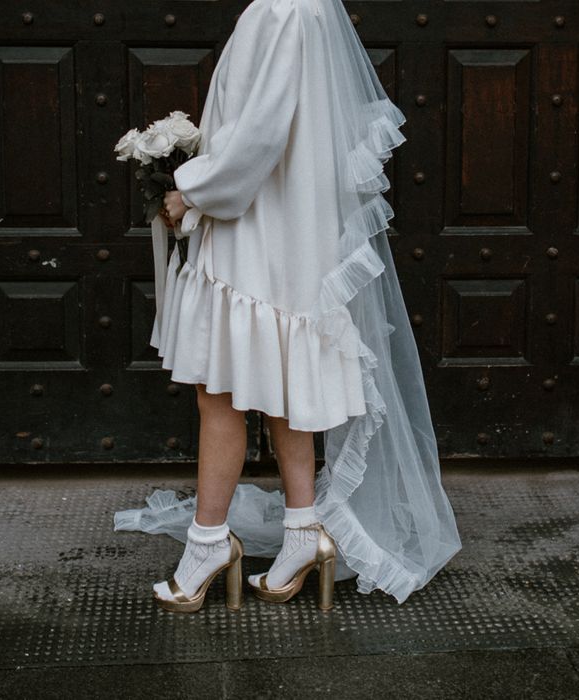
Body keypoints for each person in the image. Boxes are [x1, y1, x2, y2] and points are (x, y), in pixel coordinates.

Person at [114, 0, 462, 612]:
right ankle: (303, 533)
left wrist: (189, 190)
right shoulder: (307, 8)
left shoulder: (279, 11)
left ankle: (207, 544)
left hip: (258, 232)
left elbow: (261, 133)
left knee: (217, 391)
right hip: (292, 229)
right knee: (283, 381)